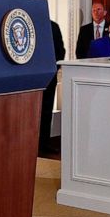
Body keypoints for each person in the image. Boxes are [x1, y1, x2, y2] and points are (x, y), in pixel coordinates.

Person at [39, 18, 66, 156]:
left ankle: (43, 144)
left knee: (47, 111)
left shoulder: (53, 26)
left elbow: (61, 50)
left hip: (49, 75)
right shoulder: (28, 23)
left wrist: (53, 68)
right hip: (31, 78)